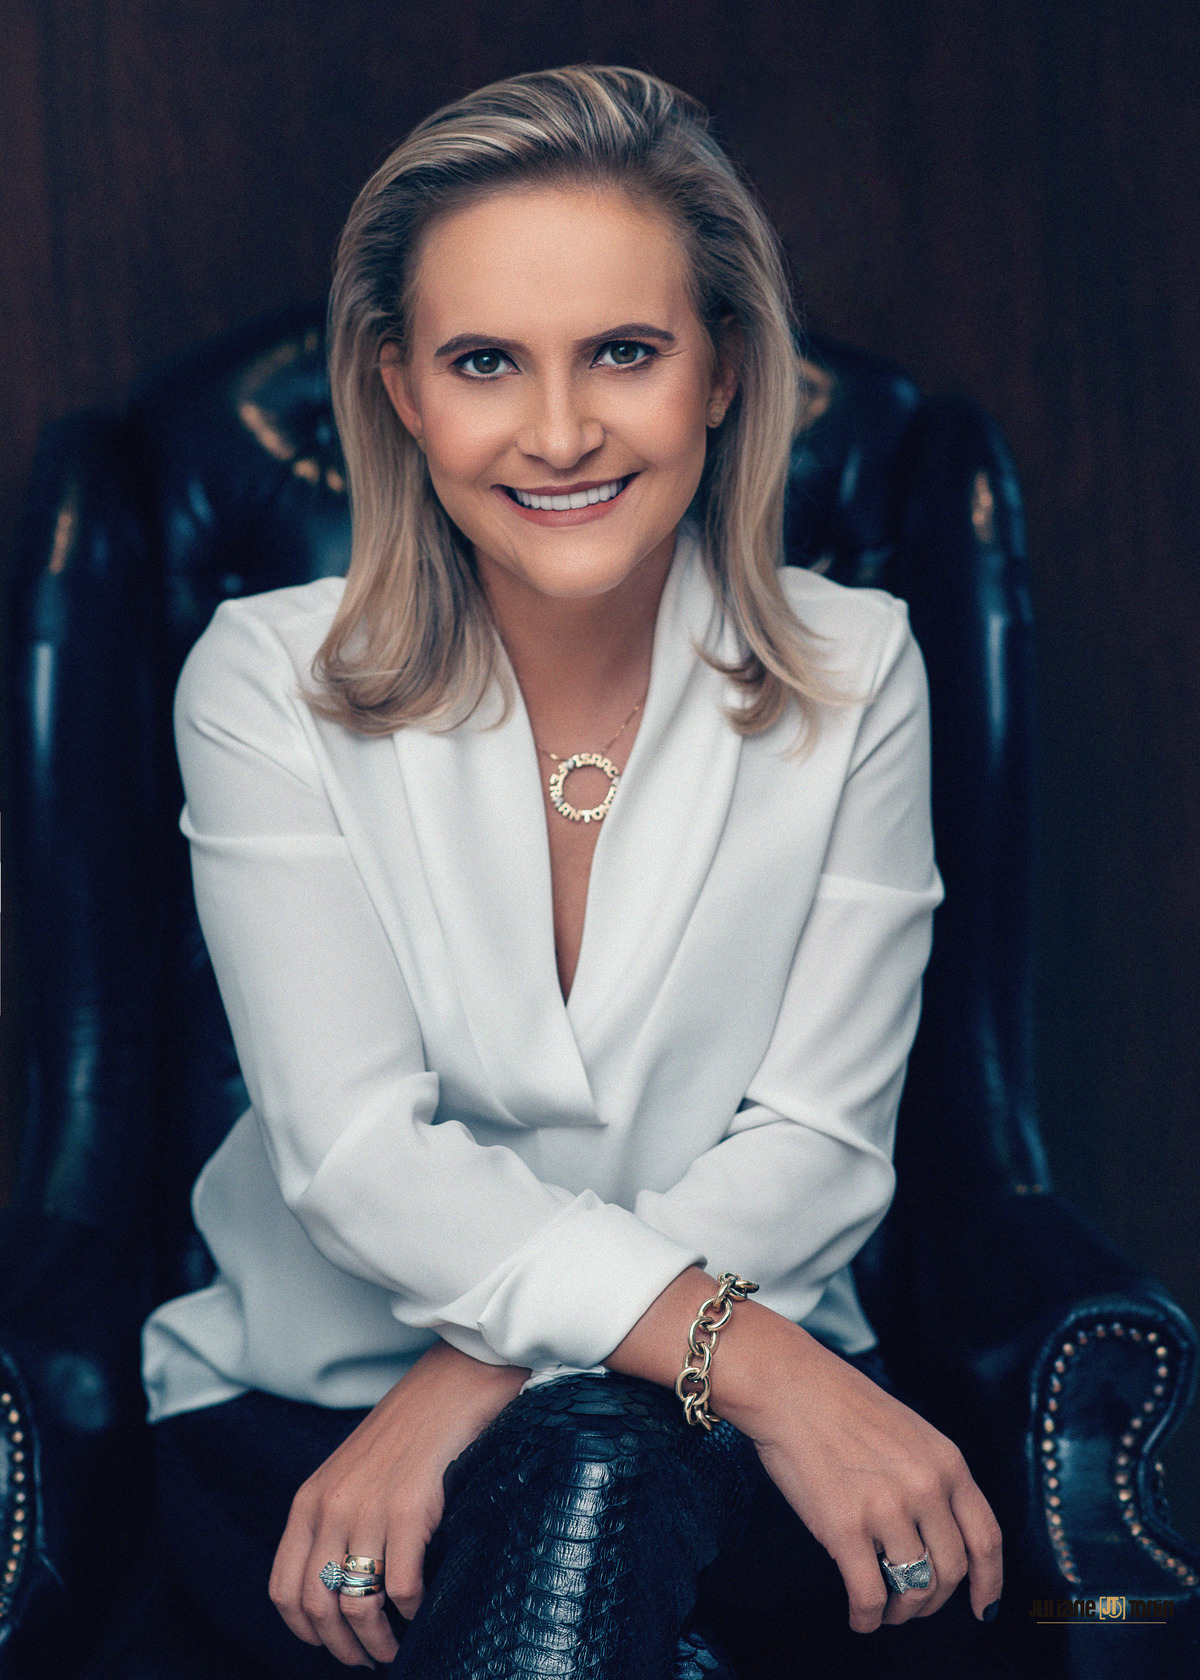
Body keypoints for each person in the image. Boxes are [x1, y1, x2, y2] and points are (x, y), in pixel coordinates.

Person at [142, 65, 1008, 1680]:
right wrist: (760, 1357)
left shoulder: (858, 669)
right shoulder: (265, 680)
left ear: (723, 369)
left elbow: (817, 1146)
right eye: (485, 362)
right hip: (308, 1425)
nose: (557, 432)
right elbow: (357, 1163)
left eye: (623, 351)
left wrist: (472, 1377)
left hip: (710, 1429)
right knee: (595, 1475)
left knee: (602, 1460)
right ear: (401, 389)